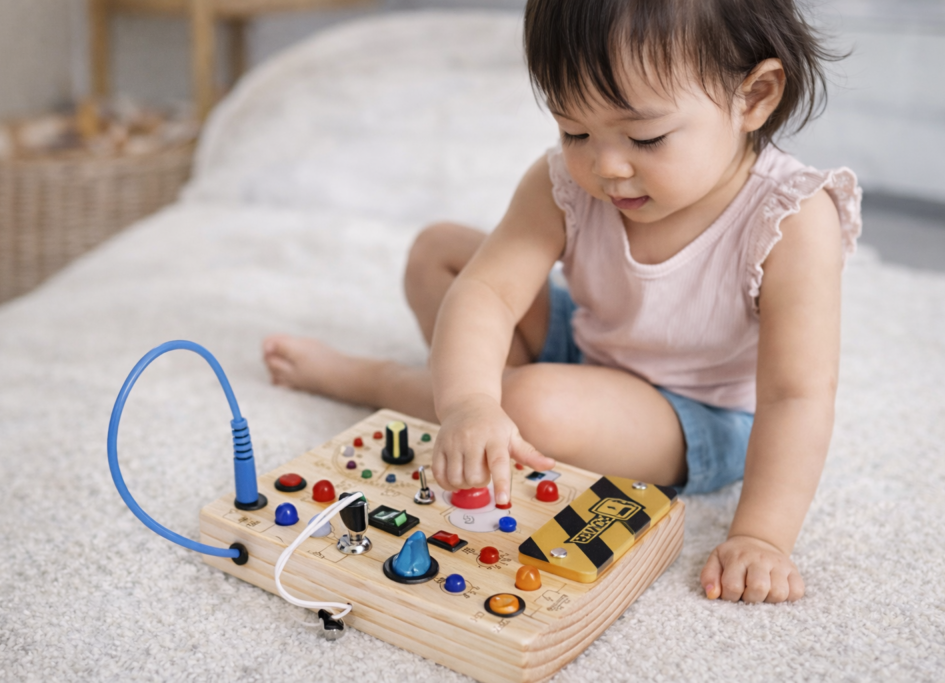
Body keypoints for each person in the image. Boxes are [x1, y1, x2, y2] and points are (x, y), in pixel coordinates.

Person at [263, 0, 861, 604]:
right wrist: (470, 403)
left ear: (753, 97)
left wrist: (762, 535)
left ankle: (380, 381)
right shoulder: (565, 183)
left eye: (645, 137)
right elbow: (488, 292)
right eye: (574, 129)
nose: (606, 165)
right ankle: (477, 403)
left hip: (696, 415)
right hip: (591, 342)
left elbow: (797, 395)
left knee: (527, 401)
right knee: (440, 254)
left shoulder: (792, 217)